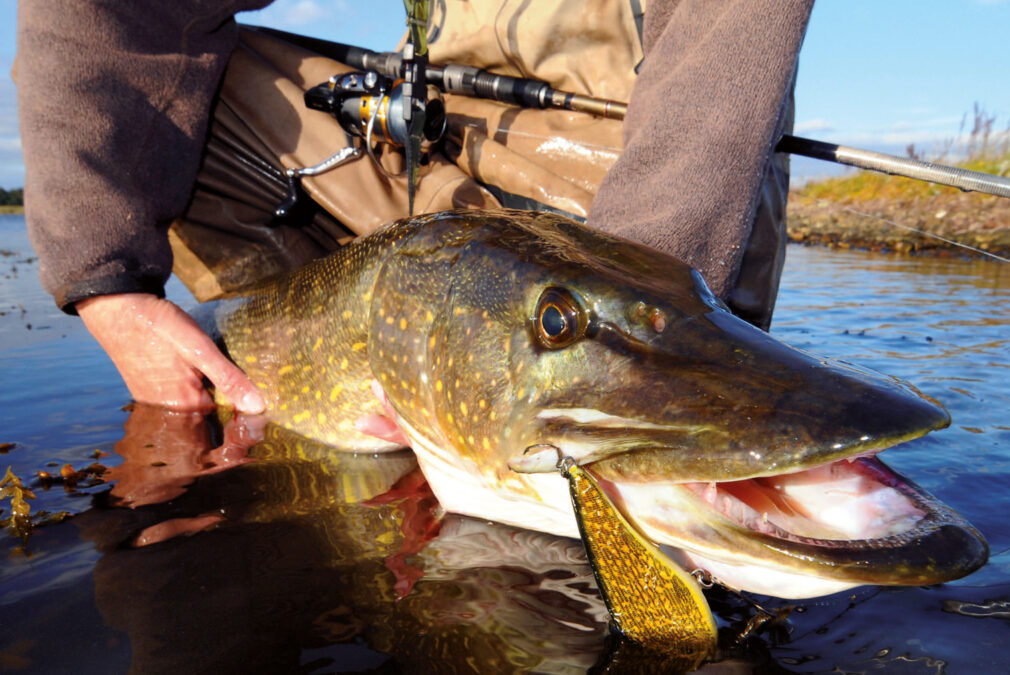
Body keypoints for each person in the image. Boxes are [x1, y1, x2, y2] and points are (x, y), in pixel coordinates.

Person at [16, 0, 813, 413]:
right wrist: (105, 281)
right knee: (185, 102)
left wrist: (635, 322)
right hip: (439, 142)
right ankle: (288, 397)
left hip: (644, 174)